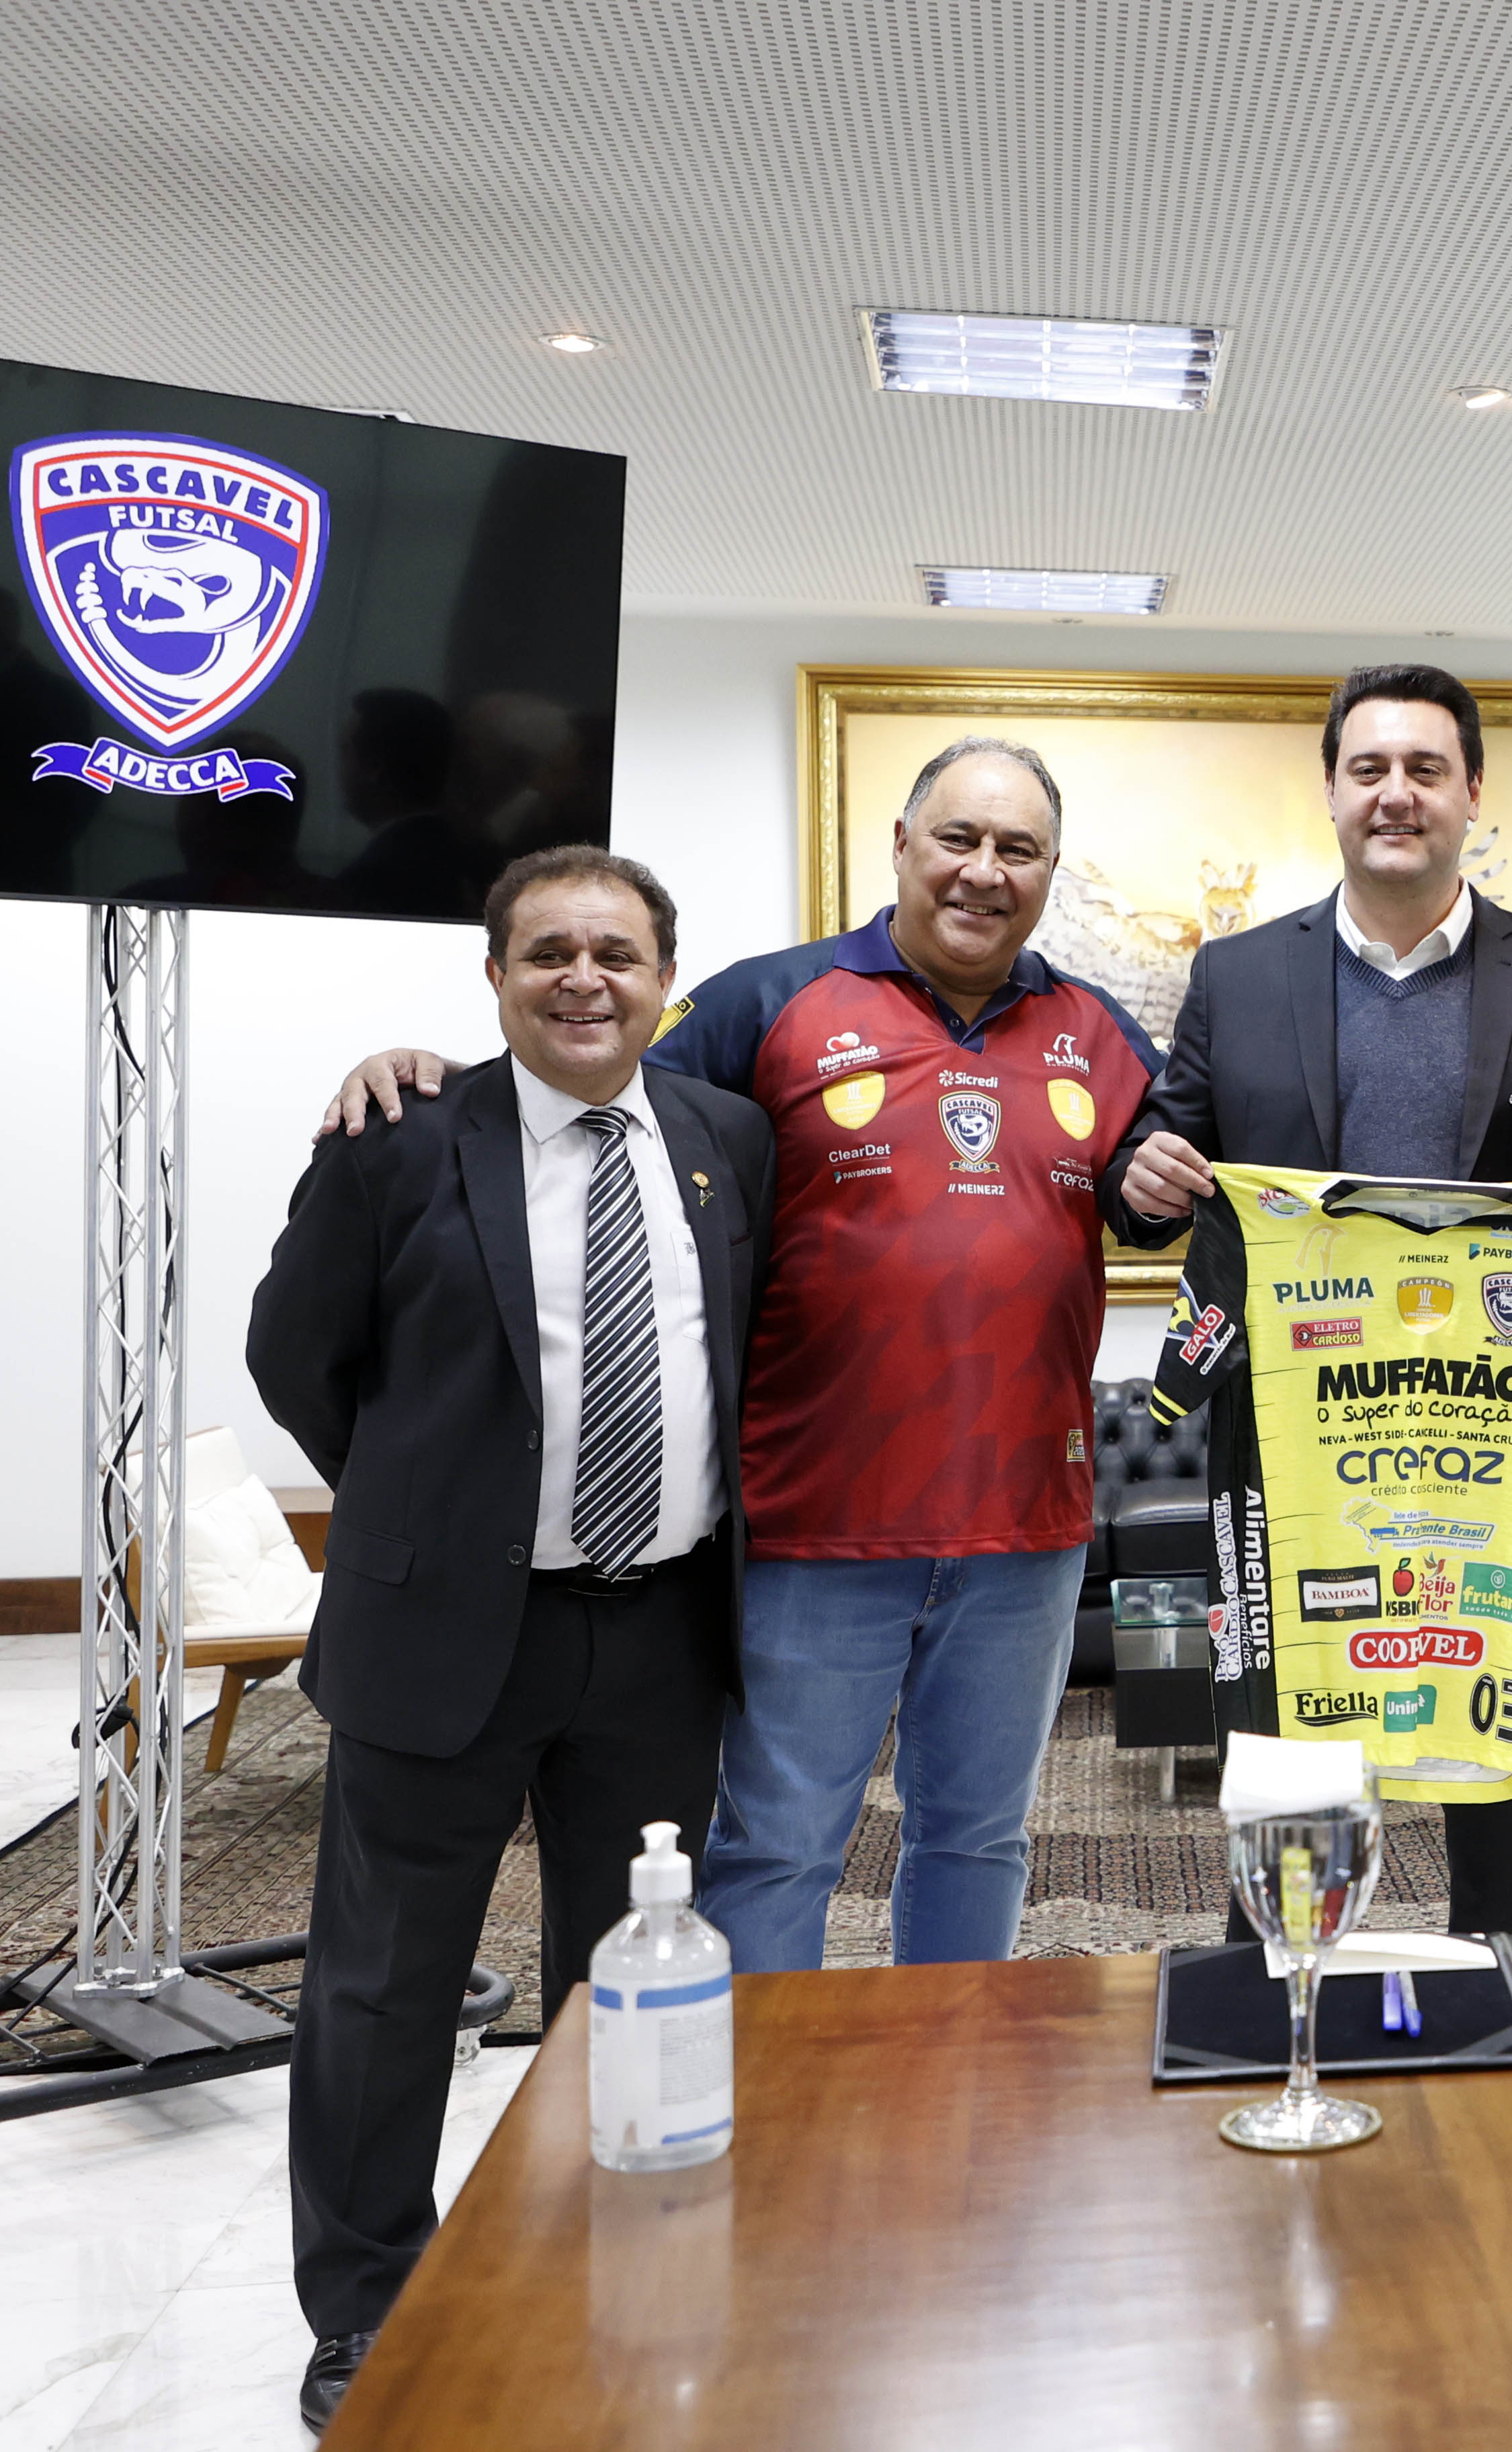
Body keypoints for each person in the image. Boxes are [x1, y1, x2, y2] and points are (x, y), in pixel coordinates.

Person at [319, 737, 1161, 1972]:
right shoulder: (772, 1003)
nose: (984, 872)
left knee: (980, 1840)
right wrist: (434, 1077)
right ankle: (775, 2139)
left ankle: (948, 2106)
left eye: (1018, 850)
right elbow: (585, 1096)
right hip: (812, 1527)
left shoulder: (1092, 1027)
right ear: (904, 847)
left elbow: (1163, 1173)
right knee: (778, 1848)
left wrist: (1159, 1177)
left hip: (1026, 1528)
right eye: (959, 840)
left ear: (1050, 873)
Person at [251, 848, 772, 2433]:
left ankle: (593, 2260)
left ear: (665, 981)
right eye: (547, 951)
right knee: (383, 1990)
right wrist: (427, 1507)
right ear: (494, 978)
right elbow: (298, 1358)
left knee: (624, 1984)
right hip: (444, 1638)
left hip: (662, 1632)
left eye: (617, 953)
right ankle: (368, 2312)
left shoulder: (725, 1141)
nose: (583, 979)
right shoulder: (401, 1137)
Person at [1107, 663, 1512, 1931]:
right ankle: (1288, 1991)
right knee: (1290, 1745)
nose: (1397, 794)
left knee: (1499, 1766)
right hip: (1292, 1432)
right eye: (1370, 768)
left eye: (1427, 769)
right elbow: (1159, 1159)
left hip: (1494, 1432)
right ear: (1329, 790)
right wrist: (1142, 1182)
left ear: (1473, 792)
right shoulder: (1240, 976)